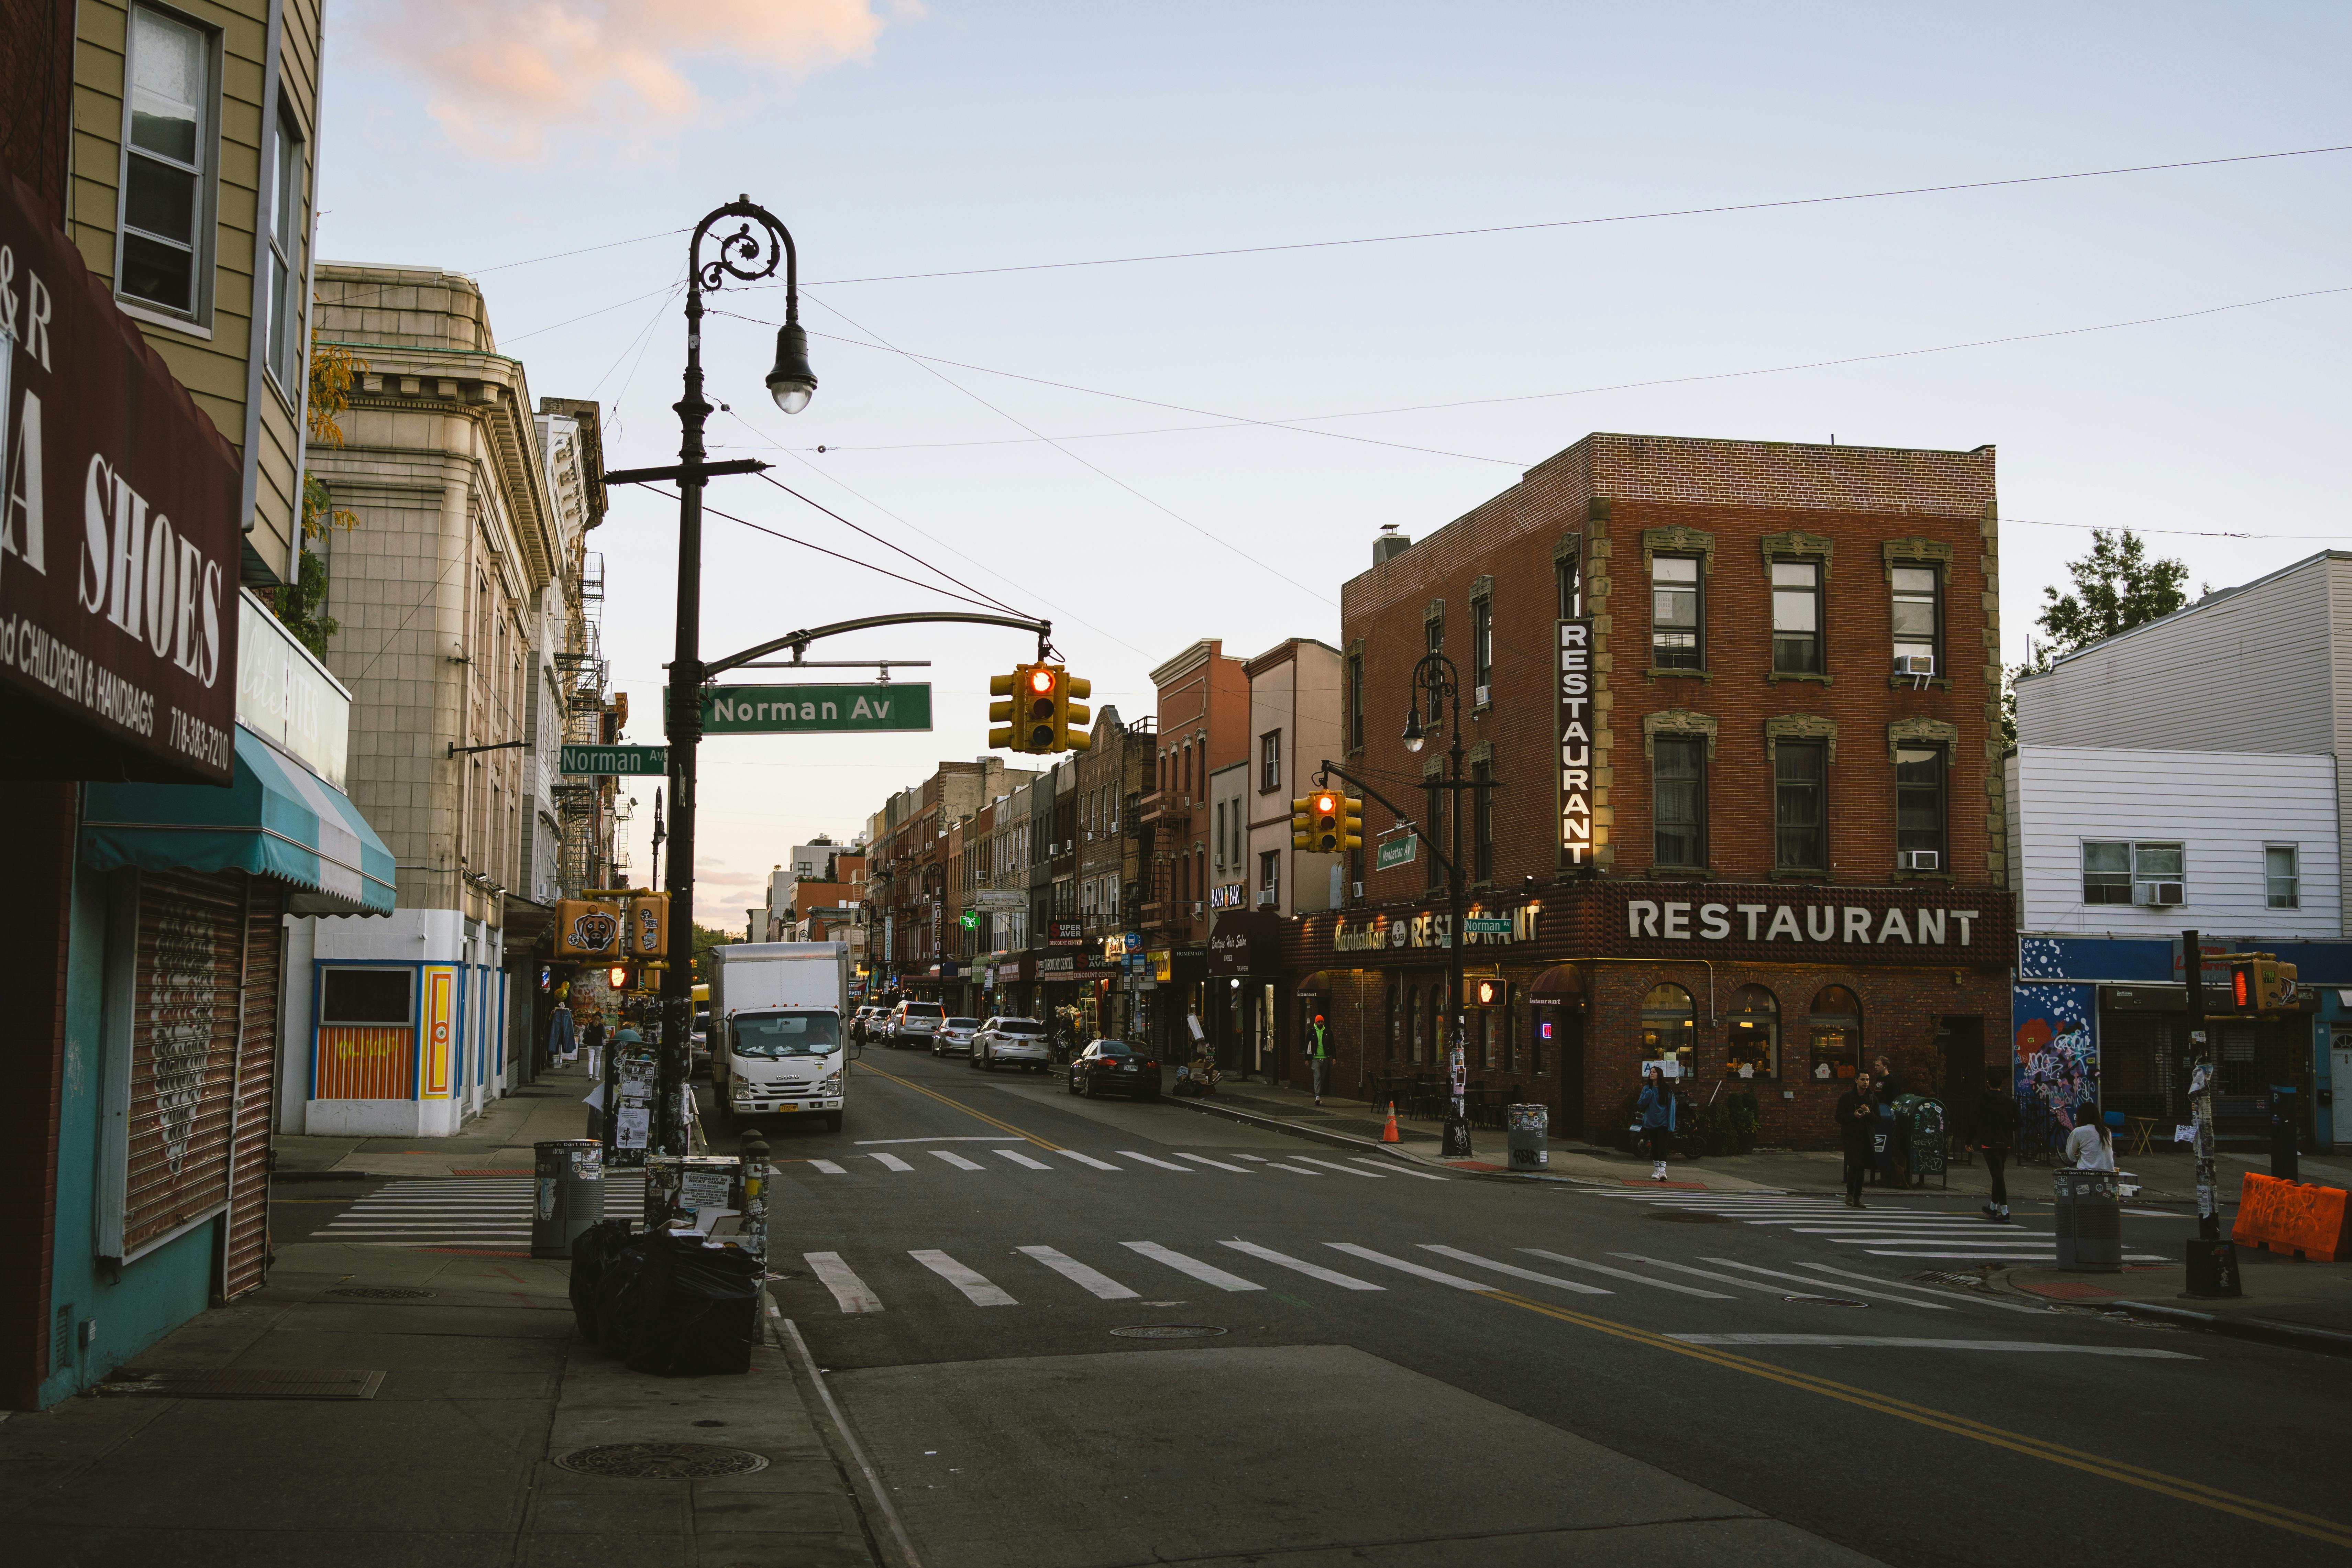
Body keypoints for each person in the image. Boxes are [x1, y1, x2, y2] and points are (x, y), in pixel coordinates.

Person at [1978, 1065, 2020, 1222]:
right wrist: (2009, 1130)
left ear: (1988, 1083)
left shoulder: (1983, 1100)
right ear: (2001, 1084)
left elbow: (1974, 1120)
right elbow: (2020, 1122)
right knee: (1998, 1175)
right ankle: (1992, 1207)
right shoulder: (2009, 1101)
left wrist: (1970, 1140)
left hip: (1989, 1143)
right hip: (2004, 1143)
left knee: (1998, 1177)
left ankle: (2005, 1212)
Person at [1836, 1070, 1877, 1208]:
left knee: (1862, 1168)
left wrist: (1868, 1113)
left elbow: (1878, 1120)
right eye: (1863, 1080)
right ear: (1856, 1081)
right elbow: (1839, 1117)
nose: (1866, 1082)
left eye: (1868, 1080)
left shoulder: (1872, 1099)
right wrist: (1853, 1116)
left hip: (1866, 1137)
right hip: (1851, 1137)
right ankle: (1850, 1194)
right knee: (1854, 1166)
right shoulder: (1847, 1098)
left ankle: (1858, 1196)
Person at [1637, 1066, 1677, 1181]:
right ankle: (1656, 1169)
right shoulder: (1647, 1089)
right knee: (1655, 1146)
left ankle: (1663, 1171)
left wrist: (1671, 1124)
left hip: (1663, 1122)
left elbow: (1671, 1108)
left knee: (1662, 1146)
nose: (1651, 1074)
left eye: (1654, 1072)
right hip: (1651, 1122)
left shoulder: (1666, 1090)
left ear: (1659, 1075)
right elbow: (1641, 1104)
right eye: (1651, 1072)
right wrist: (1648, 1095)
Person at [2064, 1104, 2116, 1171]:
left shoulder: (2078, 1132)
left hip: (2086, 1173)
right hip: (2108, 1172)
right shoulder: (2107, 1131)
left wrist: (2079, 1156)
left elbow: (2071, 1155)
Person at [1307, 1013, 1331, 1104]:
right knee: (1318, 1077)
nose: (1320, 1023)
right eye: (1319, 1022)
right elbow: (1307, 1045)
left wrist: (1334, 1057)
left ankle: (1319, 1095)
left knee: (1323, 1078)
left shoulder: (1328, 1032)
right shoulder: (1311, 1032)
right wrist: (1307, 1059)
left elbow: (1332, 1045)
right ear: (1316, 1023)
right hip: (1315, 1058)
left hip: (1325, 1058)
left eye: (1322, 1022)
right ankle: (1317, 1096)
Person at [547, 996, 575, 1072]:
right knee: (567, 1032)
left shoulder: (556, 1011)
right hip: (565, 1013)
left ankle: (552, 1048)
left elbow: (550, 1020)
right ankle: (568, 1048)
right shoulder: (566, 1012)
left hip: (559, 1014)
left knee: (555, 1032)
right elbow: (570, 1027)